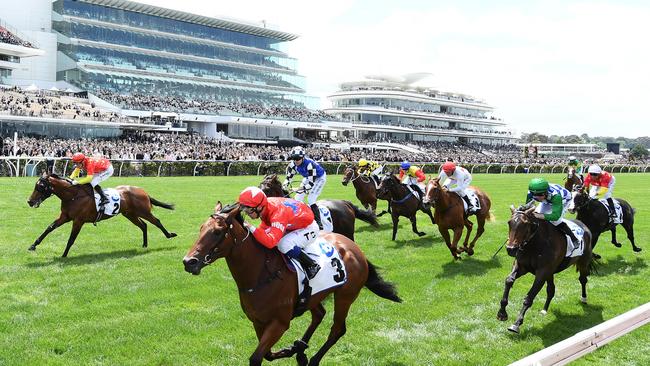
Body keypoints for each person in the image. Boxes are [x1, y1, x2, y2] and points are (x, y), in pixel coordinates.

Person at [238, 186, 321, 279]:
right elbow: (263, 230)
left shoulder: (278, 214)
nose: (248, 214)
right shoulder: (266, 206)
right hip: (294, 220)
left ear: (259, 207)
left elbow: (270, 242)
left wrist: (251, 227)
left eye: (249, 210)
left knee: (283, 244)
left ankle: (312, 264)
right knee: (262, 236)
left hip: (308, 227)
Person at [282, 146, 327, 230]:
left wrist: (297, 189)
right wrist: (284, 185)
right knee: (297, 198)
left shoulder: (310, 164)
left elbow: (310, 185)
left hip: (319, 178)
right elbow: (288, 178)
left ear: (303, 157)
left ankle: (319, 223)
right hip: (308, 177)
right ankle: (300, 218)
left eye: (298, 159)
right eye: (294, 158)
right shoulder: (292, 164)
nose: (296, 161)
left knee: (311, 199)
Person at [526, 178, 579, 247]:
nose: (537, 197)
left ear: (546, 192)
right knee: (534, 217)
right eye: (534, 194)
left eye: (540, 194)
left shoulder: (556, 196)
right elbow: (528, 207)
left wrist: (538, 215)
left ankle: (573, 238)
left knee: (555, 221)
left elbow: (555, 216)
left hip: (564, 200)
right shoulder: (531, 192)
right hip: (547, 200)